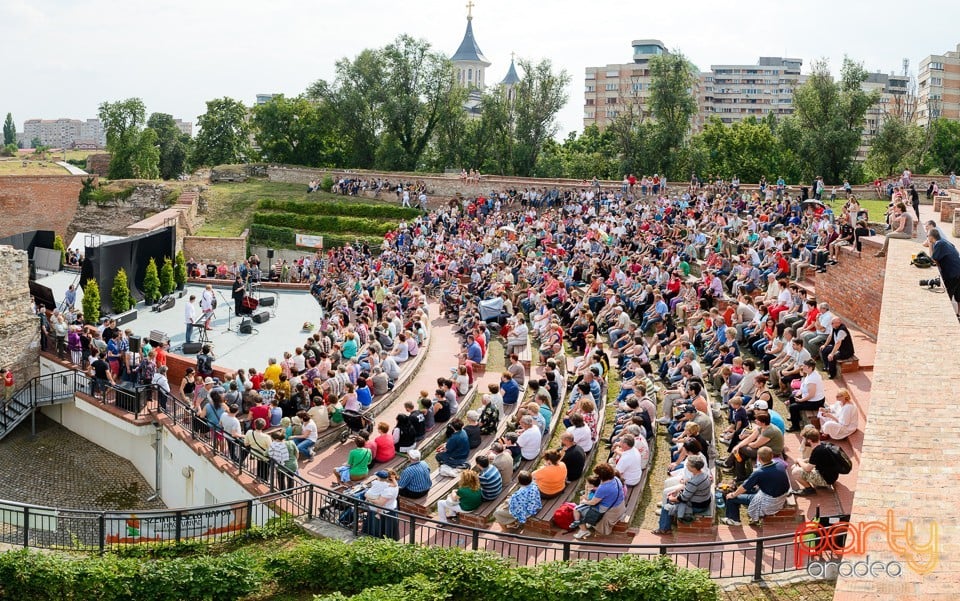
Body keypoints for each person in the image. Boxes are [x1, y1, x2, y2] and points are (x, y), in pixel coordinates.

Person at [720, 446, 791, 526]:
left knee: (731, 498)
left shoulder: (759, 472)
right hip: (781, 498)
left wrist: (733, 495)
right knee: (741, 488)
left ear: (758, 458)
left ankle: (733, 520)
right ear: (772, 456)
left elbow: (744, 487)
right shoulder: (780, 464)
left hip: (769, 502)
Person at [652, 455, 711, 535]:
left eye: (688, 465)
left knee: (666, 507)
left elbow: (683, 498)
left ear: (694, 468)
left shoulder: (694, 482)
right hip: (704, 501)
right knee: (671, 501)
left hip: (697, 506)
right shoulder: (704, 474)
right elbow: (691, 485)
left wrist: (671, 498)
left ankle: (664, 529)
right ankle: (667, 522)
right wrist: (677, 490)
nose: (686, 465)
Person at [572, 463, 626, 540]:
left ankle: (584, 531)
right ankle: (587, 524)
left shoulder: (603, 488)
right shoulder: (616, 479)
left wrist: (584, 501)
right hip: (619, 505)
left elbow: (593, 502)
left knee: (576, 510)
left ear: (601, 476)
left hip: (607, 509)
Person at [791, 427, 842, 496]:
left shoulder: (817, 451)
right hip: (832, 476)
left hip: (826, 479)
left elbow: (808, 469)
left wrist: (799, 461)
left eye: (804, 439)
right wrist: (803, 461)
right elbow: (815, 459)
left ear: (809, 440)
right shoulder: (823, 445)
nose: (803, 441)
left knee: (795, 472)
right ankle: (816, 484)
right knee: (795, 466)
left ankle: (809, 490)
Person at [928, 228, 960, 321]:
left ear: (931, 237)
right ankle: (958, 314)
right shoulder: (945, 241)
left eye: (928, 236)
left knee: (947, 295)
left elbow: (933, 259)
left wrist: (930, 245)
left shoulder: (939, 244)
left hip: (952, 273)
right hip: (958, 270)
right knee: (958, 295)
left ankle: (947, 318)